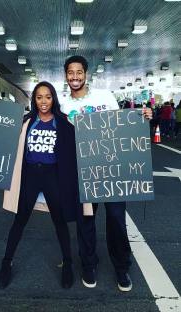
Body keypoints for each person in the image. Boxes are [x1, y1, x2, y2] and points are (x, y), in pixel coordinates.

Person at [61, 55, 152, 291]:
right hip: (83, 175)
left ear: (86, 74)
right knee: (86, 222)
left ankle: (122, 267)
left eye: (79, 72)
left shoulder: (105, 97)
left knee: (116, 221)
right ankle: (89, 265)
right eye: (70, 73)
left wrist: (142, 117)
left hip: (112, 172)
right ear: (66, 76)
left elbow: (123, 125)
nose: (75, 77)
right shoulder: (63, 106)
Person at [0, 81, 80, 290]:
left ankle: (68, 264)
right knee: (20, 220)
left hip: (53, 176)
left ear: (54, 99)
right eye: (39, 97)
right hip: (31, 175)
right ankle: (6, 263)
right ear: (34, 99)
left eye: (48, 97)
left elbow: (83, 141)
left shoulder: (64, 123)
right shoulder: (26, 121)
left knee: (60, 221)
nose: (44, 101)